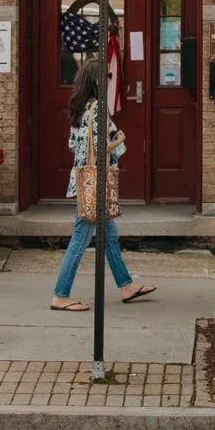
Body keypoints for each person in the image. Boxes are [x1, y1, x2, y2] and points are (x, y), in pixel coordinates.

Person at [50, 56, 158, 310]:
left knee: (109, 236)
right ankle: (60, 295)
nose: (109, 83)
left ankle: (126, 285)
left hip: (83, 179)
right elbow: (100, 151)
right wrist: (119, 140)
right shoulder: (97, 108)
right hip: (95, 184)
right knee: (80, 237)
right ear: (98, 81)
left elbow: (72, 146)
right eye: (107, 78)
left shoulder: (79, 108)